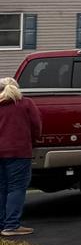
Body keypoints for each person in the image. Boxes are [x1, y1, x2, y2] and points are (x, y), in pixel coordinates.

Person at [0, 77, 42, 236]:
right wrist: (34, 141)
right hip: (18, 151)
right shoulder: (25, 103)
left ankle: (2, 223)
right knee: (16, 187)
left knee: (1, 188)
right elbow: (36, 125)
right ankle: (11, 225)